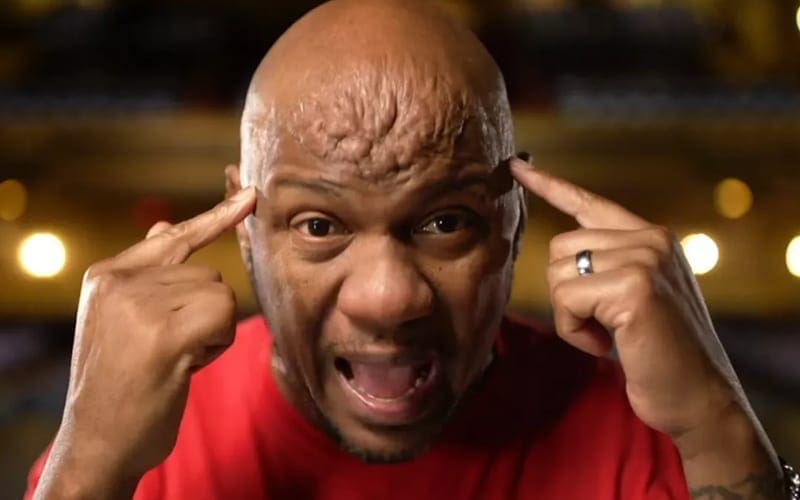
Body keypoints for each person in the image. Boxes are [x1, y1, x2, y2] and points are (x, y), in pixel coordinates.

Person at [25, 0, 796, 499]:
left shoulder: (644, 430)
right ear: (243, 224)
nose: (388, 298)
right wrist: (88, 469)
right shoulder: (132, 444)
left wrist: (716, 425)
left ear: (512, 220)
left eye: (445, 222)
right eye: (320, 226)